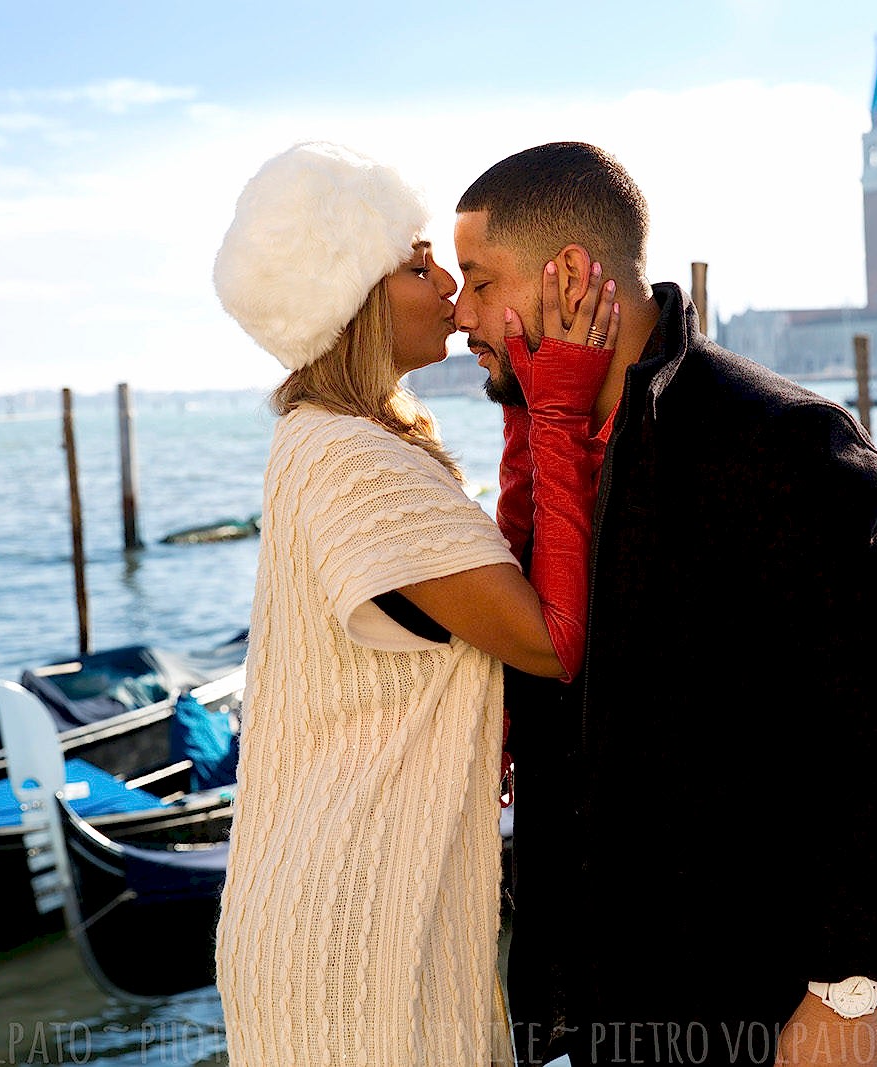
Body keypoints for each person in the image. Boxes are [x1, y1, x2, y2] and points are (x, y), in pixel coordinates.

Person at [453, 142, 877, 1066]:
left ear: (568, 274)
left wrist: (846, 991)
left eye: (478, 280)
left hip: (789, 1019)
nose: (462, 316)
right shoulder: (549, 470)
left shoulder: (777, 441)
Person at [208, 141, 620, 1067]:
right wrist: (555, 412)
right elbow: (552, 639)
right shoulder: (359, 465)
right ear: (354, 301)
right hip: (354, 921)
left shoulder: (324, 439)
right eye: (417, 262)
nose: (446, 286)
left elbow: (490, 586)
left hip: (346, 895)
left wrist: (522, 408)